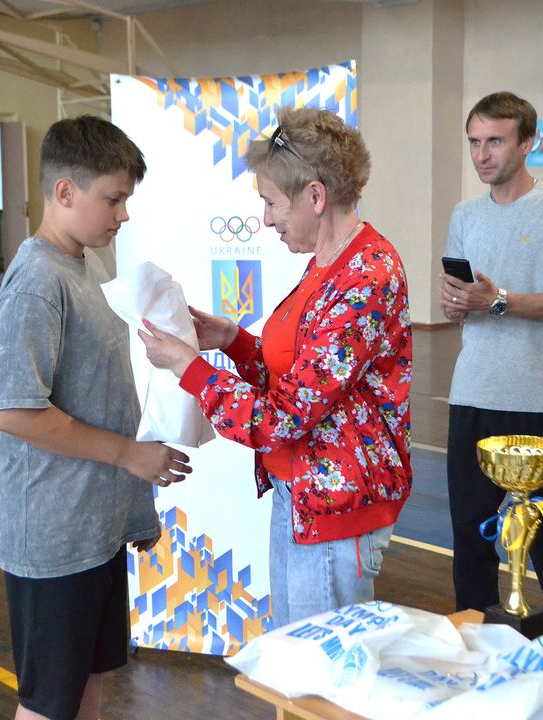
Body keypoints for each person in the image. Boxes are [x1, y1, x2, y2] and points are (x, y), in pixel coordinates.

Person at [139, 106, 412, 629]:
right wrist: (233, 341)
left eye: (270, 203)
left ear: (315, 196)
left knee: (322, 671)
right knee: (297, 661)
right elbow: (300, 377)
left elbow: (283, 417)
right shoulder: (329, 265)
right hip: (304, 496)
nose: (265, 220)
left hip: (335, 507)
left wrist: (191, 368)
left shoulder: (366, 276)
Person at [0, 116, 192, 720]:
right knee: (48, 703)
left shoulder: (85, 265)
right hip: (53, 536)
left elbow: (99, 395)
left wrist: (130, 508)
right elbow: (12, 409)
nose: (123, 214)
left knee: (87, 686)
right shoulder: (37, 280)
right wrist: (130, 456)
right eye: (113, 199)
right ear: (65, 192)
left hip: (92, 531)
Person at [440, 92, 543, 626]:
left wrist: (497, 301)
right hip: (472, 393)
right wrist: (458, 305)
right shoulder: (464, 215)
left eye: (495, 141)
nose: (481, 155)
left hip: (536, 397)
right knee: (470, 531)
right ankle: (473, 639)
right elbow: (464, 304)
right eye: (474, 142)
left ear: (528, 143)